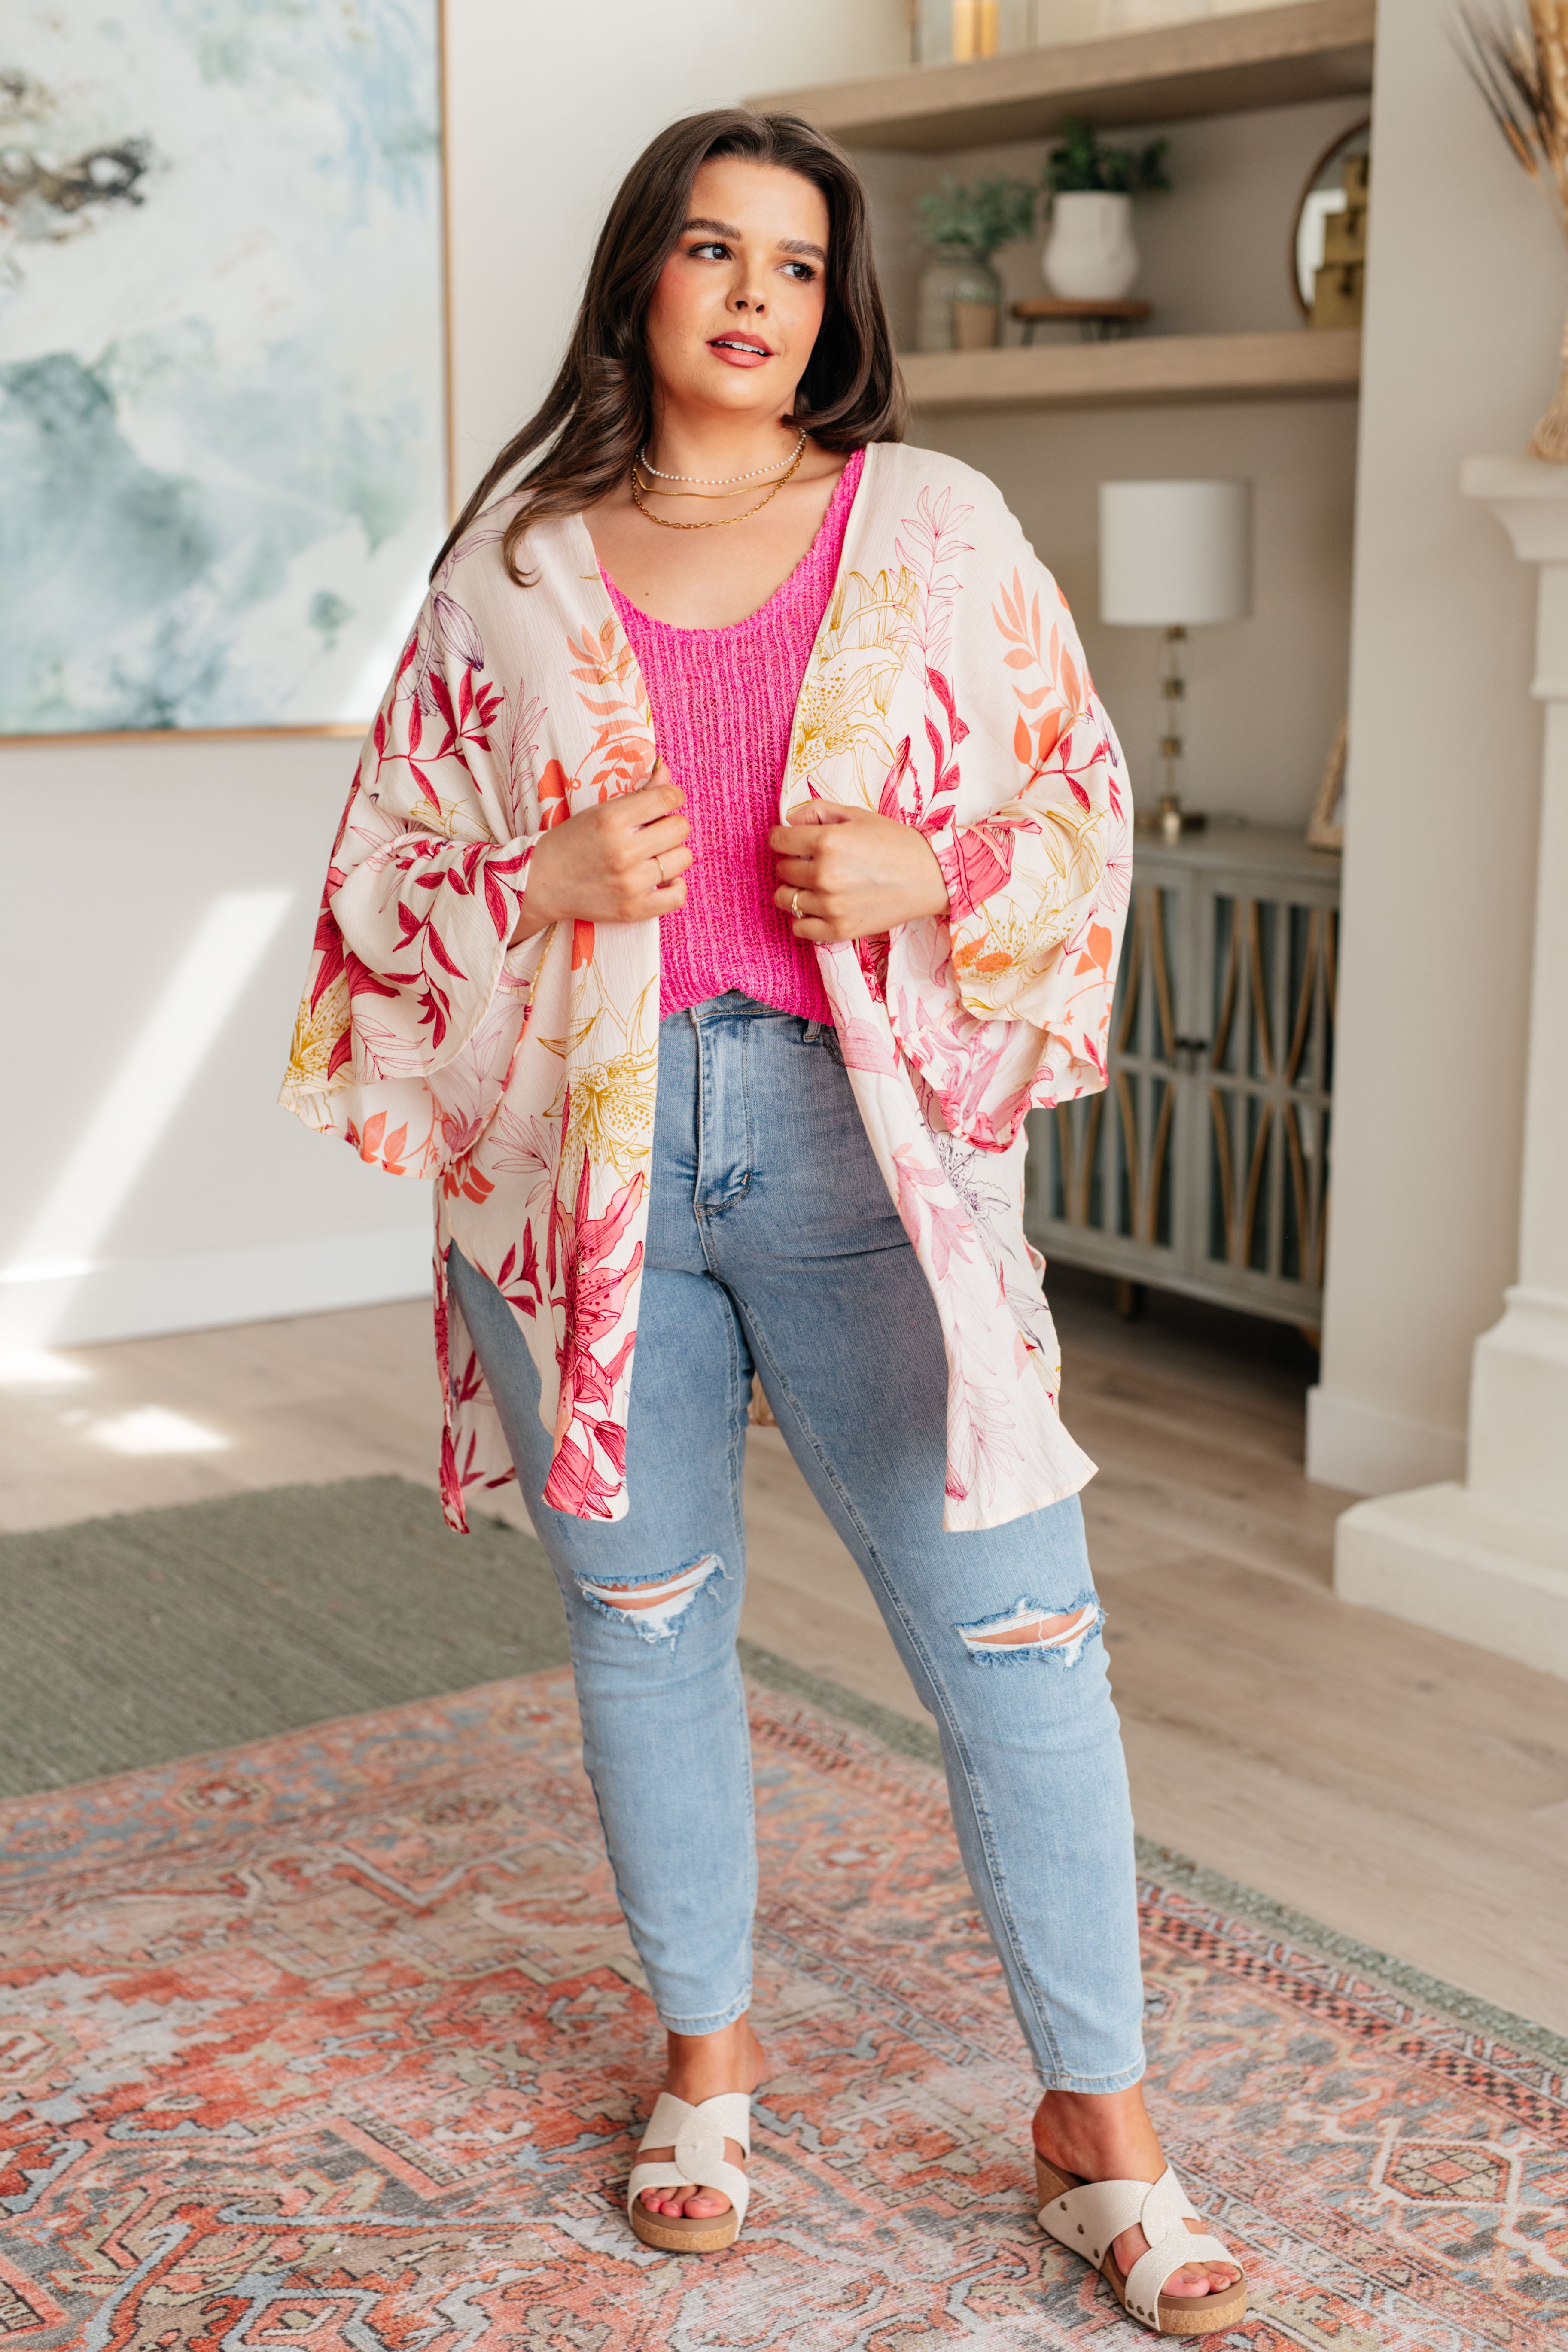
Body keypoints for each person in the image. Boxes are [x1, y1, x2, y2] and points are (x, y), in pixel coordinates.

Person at [280, 106, 1245, 2336]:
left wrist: (940, 873)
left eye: (796, 266)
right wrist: (545, 881)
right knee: (642, 1628)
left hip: (853, 1161)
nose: (751, 295)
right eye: (709, 251)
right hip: (578, 1183)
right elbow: (365, 914)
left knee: (1019, 1636)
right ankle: (706, 2066)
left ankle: (1093, 2125)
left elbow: (1079, 822)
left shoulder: (935, 528)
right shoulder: (510, 571)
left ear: (837, 306)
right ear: (639, 277)